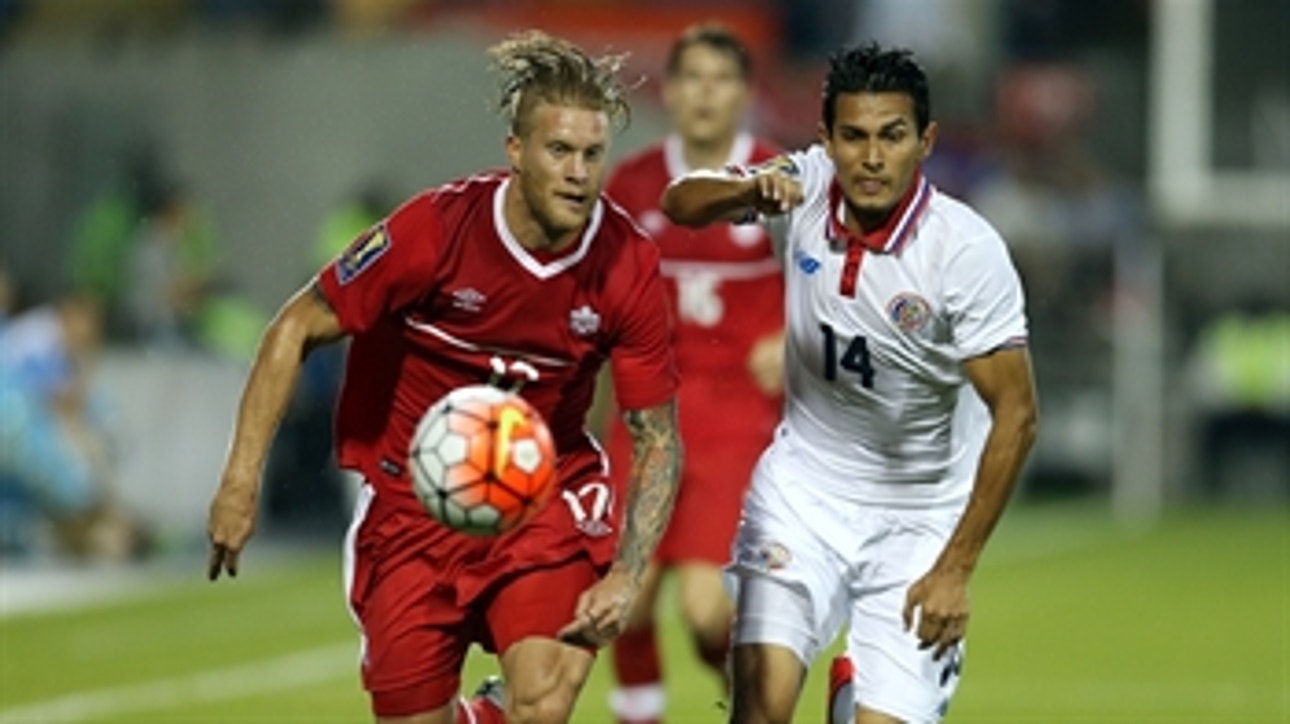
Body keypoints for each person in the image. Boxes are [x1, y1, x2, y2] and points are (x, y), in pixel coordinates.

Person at [205, 31, 683, 724]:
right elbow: (294, 328)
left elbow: (658, 435)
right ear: (516, 152)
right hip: (412, 505)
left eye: (591, 154)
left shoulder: (627, 263)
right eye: (559, 151)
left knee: (545, 700)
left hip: (541, 497)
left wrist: (629, 573)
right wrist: (240, 483)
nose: (579, 172)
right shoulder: (435, 230)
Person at [660, 42, 1040, 723]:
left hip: (920, 519)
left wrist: (956, 568)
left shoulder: (964, 251)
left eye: (892, 137)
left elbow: (1016, 413)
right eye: (854, 137)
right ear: (826, 139)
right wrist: (748, 190)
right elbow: (680, 203)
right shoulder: (801, 186)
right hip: (804, 495)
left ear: (925, 140)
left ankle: (852, 696)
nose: (871, 158)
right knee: (759, 711)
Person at [599, 24, 783, 724]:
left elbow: (828, 285)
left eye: (722, 79)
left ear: (745, 93)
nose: (706, 93)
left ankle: (753, 699)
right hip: (645, 416)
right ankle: (638, 715)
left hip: (735, 422)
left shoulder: (775, 181)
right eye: (693, 78)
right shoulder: (635, 183)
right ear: (670, 91)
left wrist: (794, 340)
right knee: (627, 596)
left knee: (708, 609)